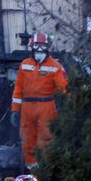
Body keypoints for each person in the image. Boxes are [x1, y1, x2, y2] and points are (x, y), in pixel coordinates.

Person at [11, 32, 68, 168]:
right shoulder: (25, 64)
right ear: (32, 46)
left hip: (46, 107)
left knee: (46, 140)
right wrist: (15, 110)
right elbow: (18, 89)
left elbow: (65, 88)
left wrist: (70, 106)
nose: (40, 49)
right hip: (27, 107)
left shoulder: (55, 67)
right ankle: (31, 171)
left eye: (43, 45)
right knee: (27, 139)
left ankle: (45, 171)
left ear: (48, 48)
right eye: (37, 45)